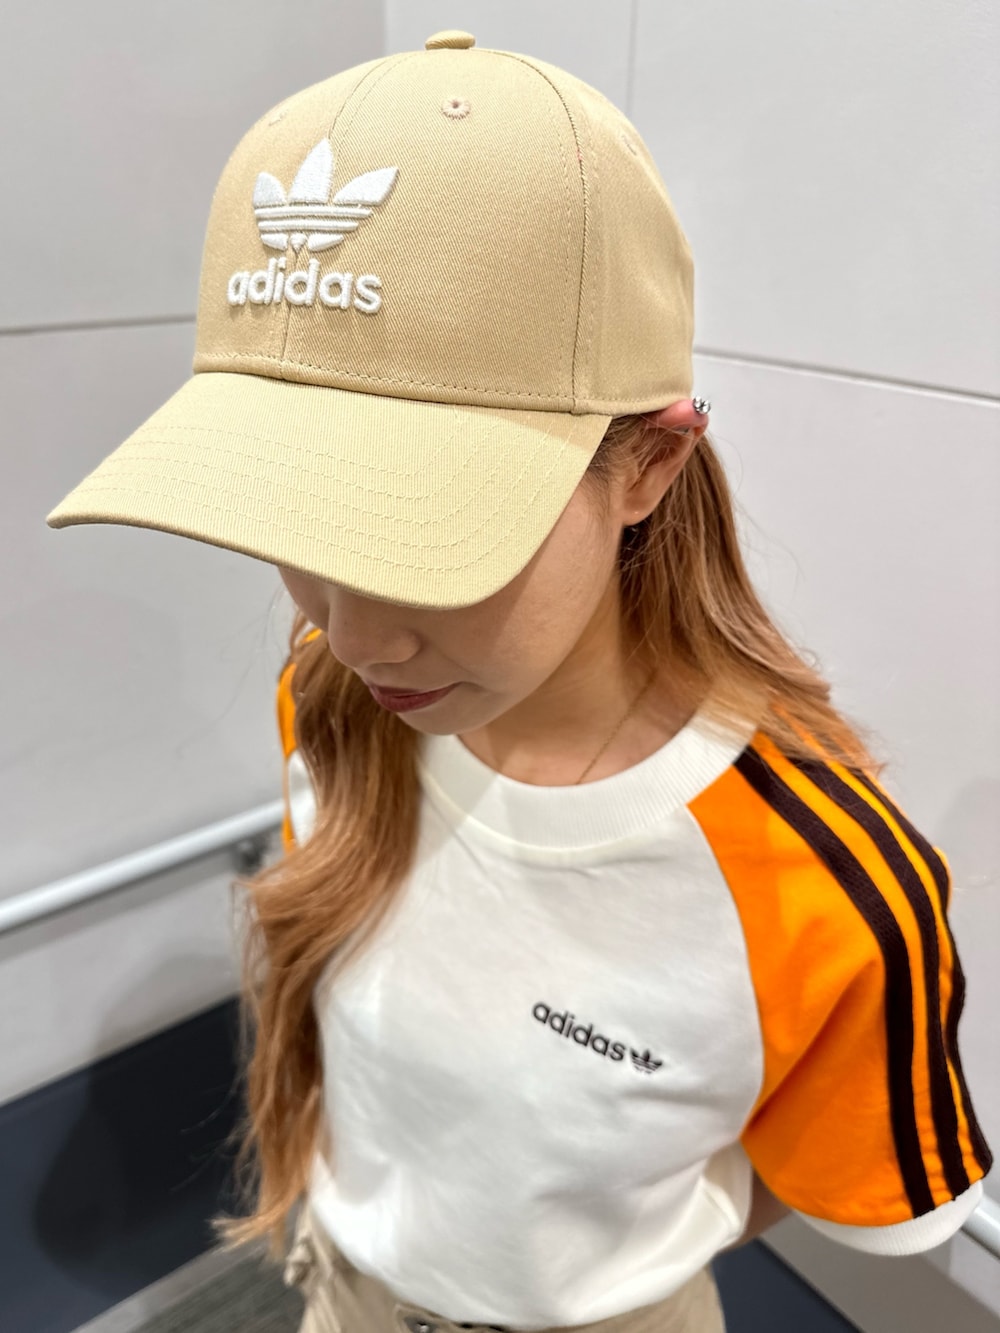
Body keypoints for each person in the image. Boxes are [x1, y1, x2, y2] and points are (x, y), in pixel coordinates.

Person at [46, 28, 992, 1333]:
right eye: (298, 516)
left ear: (647, 467)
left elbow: (821, 1180)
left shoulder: (825, 883)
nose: (356, 631)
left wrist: (607, 1255)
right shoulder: (332, 702)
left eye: (431, 534)